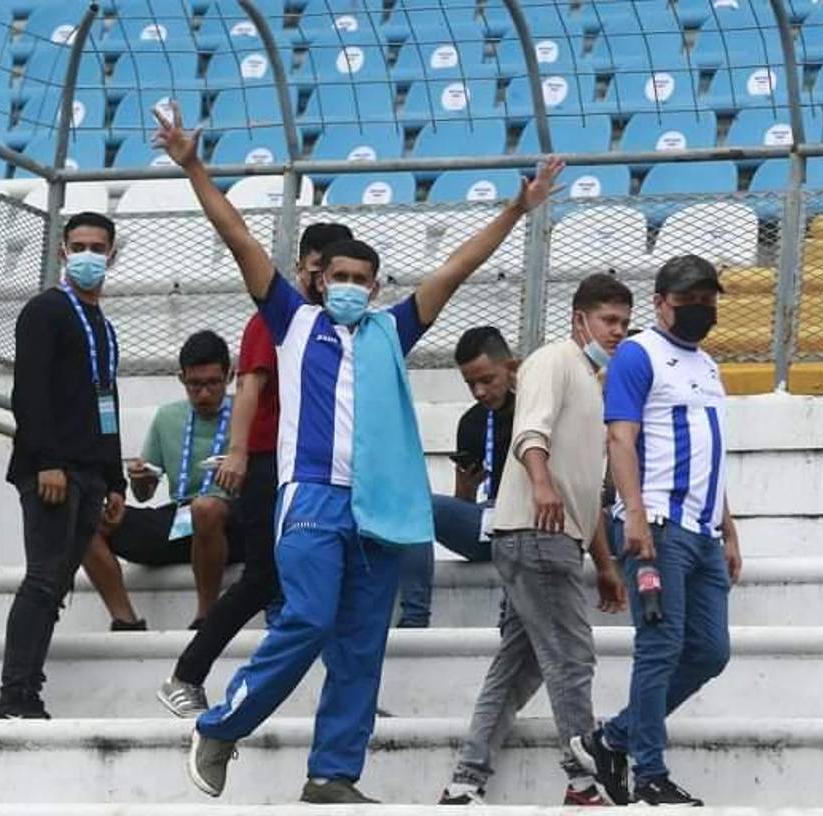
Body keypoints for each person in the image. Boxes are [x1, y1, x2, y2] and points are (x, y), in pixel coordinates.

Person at [153, 99, 565, 804]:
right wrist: (193, 166)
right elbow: (237, 237)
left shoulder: (390, 330)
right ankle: (221, 726)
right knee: (308, 619)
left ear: (375, 287)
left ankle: (332, 775)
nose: (348, 287)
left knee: (360, 646)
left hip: (378, 509)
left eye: (360, 280)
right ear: (318, 279)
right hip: (311, 497)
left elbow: (459, 268)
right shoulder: (290, 320)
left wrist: (516, 211)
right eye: (337, 276)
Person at [439, 274, 633, 806]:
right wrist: (542, 484)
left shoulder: (594, 383)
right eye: (607, 321)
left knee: (517, 669)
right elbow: (531, 431)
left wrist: (605, 562)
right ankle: (586, 779)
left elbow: (585, 490)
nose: (616, 331)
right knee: (572, 657)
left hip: (554, 535)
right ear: (580, 320)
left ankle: (464, 781)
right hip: (535, 532)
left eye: (622, 321)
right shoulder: (553, 361)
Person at [155, 222, 354, 718]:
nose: (329, 283)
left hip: (313, 470)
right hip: (271, 463)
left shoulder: (337, 328)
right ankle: (187, 673)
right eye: (320, 271)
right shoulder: (278, 318)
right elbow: (249, 388)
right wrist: (240, 452)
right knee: (265, 577)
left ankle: (343, 694)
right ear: (306, 268)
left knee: (322, 582)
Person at [572, 255, 743, 807]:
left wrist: (728, 525)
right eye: (688, 299)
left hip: (702, 529)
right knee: (660, 647)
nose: (699, 309)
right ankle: (649, 771)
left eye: (707, 300)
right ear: (661, 302)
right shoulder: (639, 355)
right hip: (659, 528)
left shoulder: (708, 365)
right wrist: (636, 513)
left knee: (710, 651)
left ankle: (611, 738)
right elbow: (620, 439)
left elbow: (709, 452)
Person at [0, 211, 128, 720]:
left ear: (112, 254)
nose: (89, 254)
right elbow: (29, 391)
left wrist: (114, 479)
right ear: (62, 252)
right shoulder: (44, 311)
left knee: (58, 584)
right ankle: (14, 695)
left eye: (99, 246)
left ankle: (28, 687)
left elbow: (106, 401)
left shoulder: (104, 326)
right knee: (44, 579)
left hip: (92, 475)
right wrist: (47, 460)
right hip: (52, 472)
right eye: (79, 245)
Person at [83, 330, 244, 629]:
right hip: (181, 519)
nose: (204, 394)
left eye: (213, 383)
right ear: (182, 379)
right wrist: (141, 479)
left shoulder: (245, 412)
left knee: (206, 509)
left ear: (230, 376)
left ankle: (206, 617)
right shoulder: (168, 417)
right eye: (195, 385)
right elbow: (145, 494)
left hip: (232, 520)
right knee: (83, 520)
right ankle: (125, 619)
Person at [397, 326, 518, 628]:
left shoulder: (535, 407)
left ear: (511, 368)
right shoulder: (472, 422)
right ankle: (414, 617)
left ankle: (513, 620)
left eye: (487, 380)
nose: (479, 391)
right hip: (485, 521)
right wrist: (466, 488)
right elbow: (463, 505)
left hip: (526, 523)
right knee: (415, 506)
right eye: (470, 384)